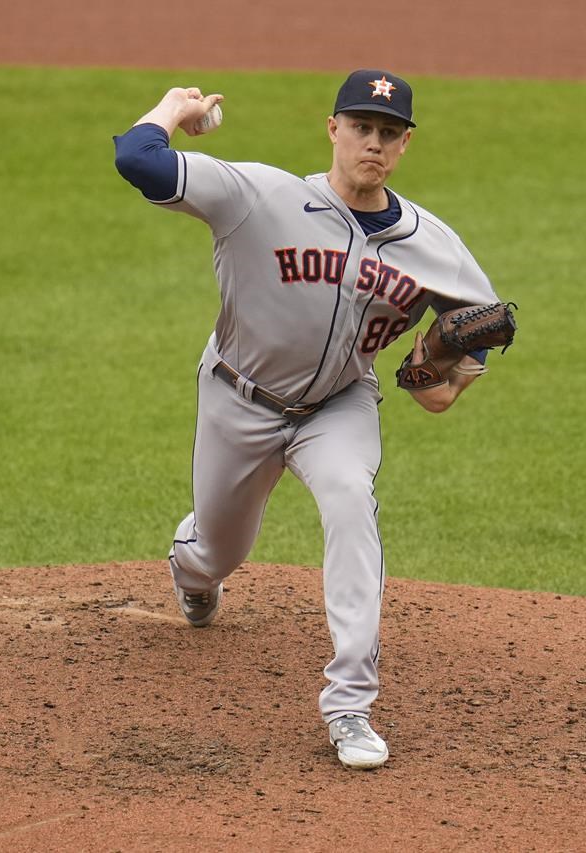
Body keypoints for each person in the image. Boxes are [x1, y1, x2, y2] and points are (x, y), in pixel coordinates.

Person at [113, 69, 505, 770]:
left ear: (406, 144)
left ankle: (350, 705)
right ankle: (195, 570)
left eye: (389, 133)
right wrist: (174, 108)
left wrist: (442, 378)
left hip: (339, 404)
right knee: (217, 551)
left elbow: (469, 339)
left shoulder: (433, 245)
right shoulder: (260, 197)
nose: (373, 144)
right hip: (238, 395)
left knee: (351, 500)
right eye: (361, 128)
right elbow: (137, 160)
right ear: (333, 129)